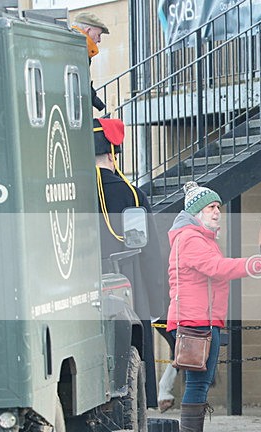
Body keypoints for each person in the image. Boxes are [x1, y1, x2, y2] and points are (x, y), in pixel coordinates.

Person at [167, 181, 261, 432]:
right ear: (196, 212)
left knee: (198, 383)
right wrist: (258, 264)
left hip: (203, 320)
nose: (217, 212)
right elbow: (217, 269)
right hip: (195, 321)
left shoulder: (201, 239)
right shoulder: (190, 238)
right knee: (198, 383)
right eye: (210, 208)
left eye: (218, 207)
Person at [94, 118, 167, 406]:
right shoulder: (132, 194)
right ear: (112, 154)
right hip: (126, 284)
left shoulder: (66, 192)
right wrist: (156, 300)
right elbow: (149, 253)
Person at [72, 12, 109, 112]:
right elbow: (82, 84)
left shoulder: (75, 46)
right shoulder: (78, 50)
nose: (99, 40)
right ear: (88, 31)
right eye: (98, 35)